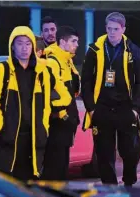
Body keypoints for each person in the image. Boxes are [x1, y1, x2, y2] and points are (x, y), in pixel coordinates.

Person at [81, 12, 140, 186]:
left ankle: (129, 181)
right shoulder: (94, 50)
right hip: (102, 108)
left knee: (132, 150)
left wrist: (135, 109)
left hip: (126, 108)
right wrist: (91, 108)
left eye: (116, 29)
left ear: (123, 29)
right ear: (105, 28)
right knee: (104, 152)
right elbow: (85, 80)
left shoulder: (133, 51)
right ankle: (110, 187)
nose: (112, 33)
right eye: (109, 29)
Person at [0, 26, 52, 181]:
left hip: (33, 140)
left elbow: (46, 105)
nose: (24, 48)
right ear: (12, 46)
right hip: (6, 140)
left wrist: (43, 129)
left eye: (28, 44)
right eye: (20, 43)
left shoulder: (42, 73)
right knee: (4, 187)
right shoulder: (0, 70)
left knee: (28, 189)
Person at [41, 26, 81, 180]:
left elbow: (73, 91)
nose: (77, 44)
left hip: (66, 126)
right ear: (62, 42)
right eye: (73, 41)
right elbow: (50, 94)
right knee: (54, 169)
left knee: (62, 169)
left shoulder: (67, 61)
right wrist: (64, 116)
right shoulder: (53, 62)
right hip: (57, 125)